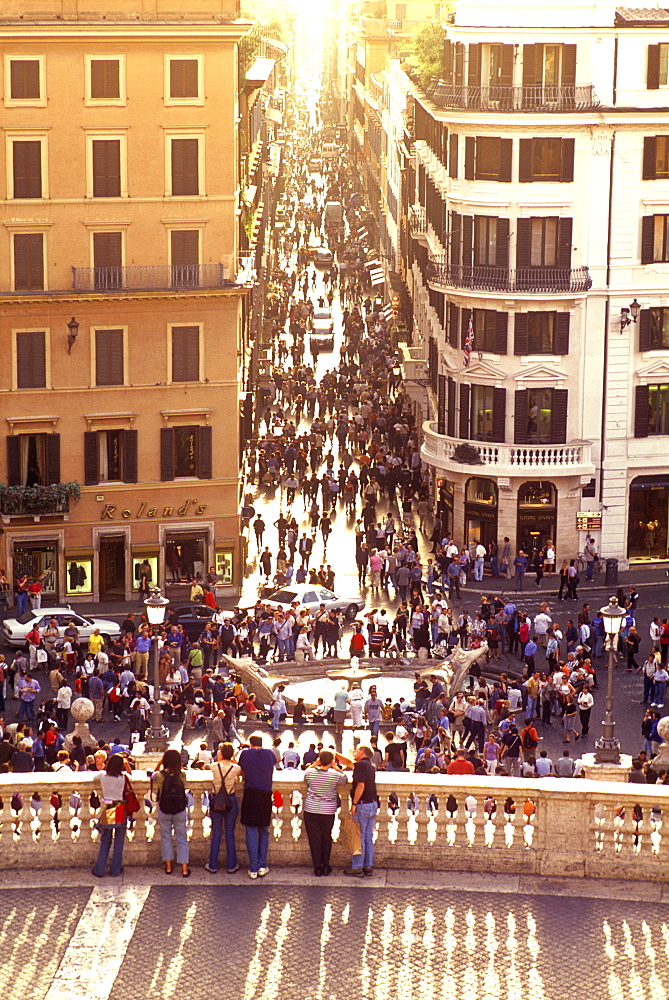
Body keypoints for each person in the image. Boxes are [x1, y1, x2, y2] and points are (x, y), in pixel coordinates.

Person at [303, 750, 348, 876]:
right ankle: (326, 865)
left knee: (314, 839)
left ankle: (317, 866)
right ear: (332, 761)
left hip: (311, 809)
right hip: (327, 810)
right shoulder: (335, 775)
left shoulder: (310, 772)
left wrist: (314, 764)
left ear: (319, 759)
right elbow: (344, 780)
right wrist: (336, 767)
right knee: (326, 837)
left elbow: (305, 774)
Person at [239, 735, 276, 878]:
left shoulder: (246, 753)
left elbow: (241, 769)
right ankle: (263, 864)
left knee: (251, 831)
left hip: (251, 794)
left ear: (250, 743)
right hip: (265, 795)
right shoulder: (269, 754)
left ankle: (253, 867)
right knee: (264, 831)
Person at [92, 753, 134, 878]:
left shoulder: (102, 776)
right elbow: (131, 775)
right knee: (119, 842)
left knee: (105, 841)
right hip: (121, 809)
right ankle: (115, 870)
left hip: (108, 809)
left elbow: (94, 778)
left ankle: (99, 869)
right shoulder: (124, 777)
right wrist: (126, 764)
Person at [205, 742, 242, 874]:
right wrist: (233, 759)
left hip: (216, 800)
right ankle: (231, 865)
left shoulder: (212, 766)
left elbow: (204, 768)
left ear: (220, 753)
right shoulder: (236, 768)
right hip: (230, 800)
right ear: (232, 754)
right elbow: (241, 772)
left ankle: (213, 864)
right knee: (230, 833)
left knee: (216, 833)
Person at [153, 748, 190, 877]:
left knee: (166, 837)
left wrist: (160, 763)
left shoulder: (159, 775)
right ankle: (184, 868)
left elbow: (152, 774)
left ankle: (169, 867)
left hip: (165, 809)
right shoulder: (182, 775)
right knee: (182, 837)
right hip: (179, 809)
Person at [343, 745, 378, 877]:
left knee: (359, 837)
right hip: (372, 804)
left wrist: (354, 803)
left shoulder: (360, 766)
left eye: (357, 750)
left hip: (362, 805)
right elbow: (348, 762)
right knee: (368, 837)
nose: (355, 752)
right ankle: (368, 865)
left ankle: (357, 867)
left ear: (362, 752)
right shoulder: (371, 766)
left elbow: (360, 785)